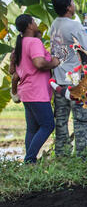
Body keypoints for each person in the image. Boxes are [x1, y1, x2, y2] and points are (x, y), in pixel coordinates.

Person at [13, 14, 61, 163]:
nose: (36, 23)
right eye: (34, 21)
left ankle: (30, 162)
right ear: (29, 26)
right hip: (37, 92)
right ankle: (29, 158)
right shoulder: (33, 42)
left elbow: (12, 70)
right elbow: (39, 63)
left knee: (32, 128)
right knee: (48, 125)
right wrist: (54, 62)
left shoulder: (20, 44)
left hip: (26, 92)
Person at [50, 0, 87, 157]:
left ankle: (61, 153)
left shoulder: (54, 24)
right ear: (69, 7)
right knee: (81, 118)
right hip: (74, 80)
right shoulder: (74, 25)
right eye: (72, 3)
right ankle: (82, 155)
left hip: (58, 79)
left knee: (61, 119)